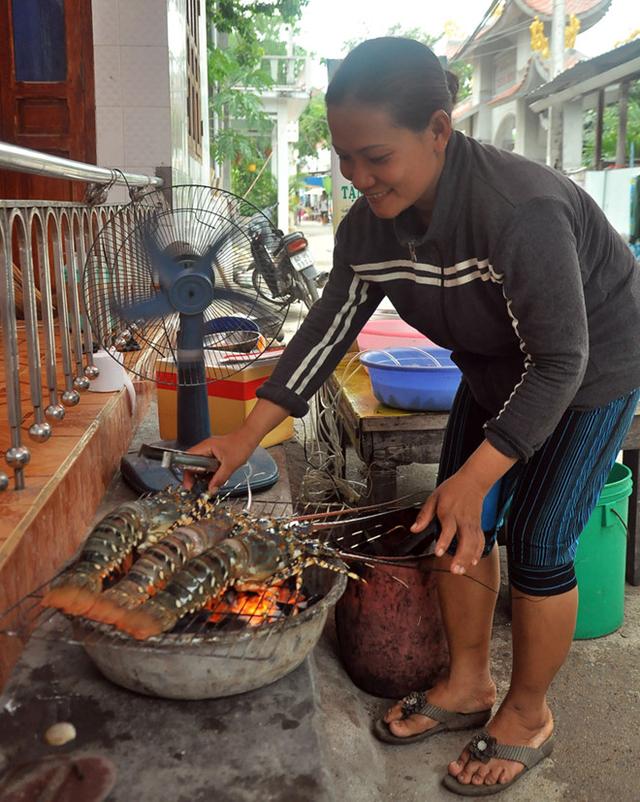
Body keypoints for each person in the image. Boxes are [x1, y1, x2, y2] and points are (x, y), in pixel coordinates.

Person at [185, 37, 640, 796]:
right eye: (345, 160)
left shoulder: (516, 209)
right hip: (496, 363)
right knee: (450, 522)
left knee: (537, 541)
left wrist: (479, 473)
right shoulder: (370, 228)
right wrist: (243, 434)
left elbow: (562, 361)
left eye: (376, 157)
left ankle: (528, 716)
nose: (359, 179)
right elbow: (328, 330)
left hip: (595, 367)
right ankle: (467, 686)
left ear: (438, 128)